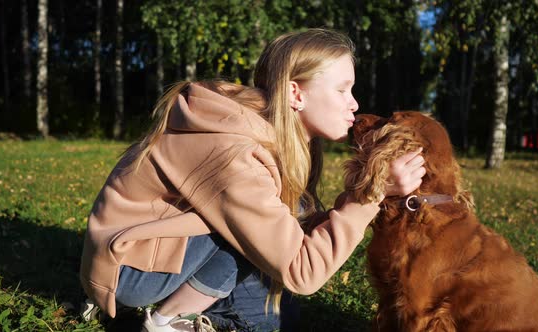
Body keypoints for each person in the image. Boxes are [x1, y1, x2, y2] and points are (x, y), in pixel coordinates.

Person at [79, 28, 426, 332]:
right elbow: (302, 271)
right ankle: (167, 320)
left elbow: (293, 238)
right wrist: (372, 192)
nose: (355, 104)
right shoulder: (236, 153)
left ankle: (190, 304)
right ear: (295, 94)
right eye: (342, 90)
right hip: (131, 268)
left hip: (171, 252)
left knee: (275, 319)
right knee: (272, 237)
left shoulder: (276, 136)